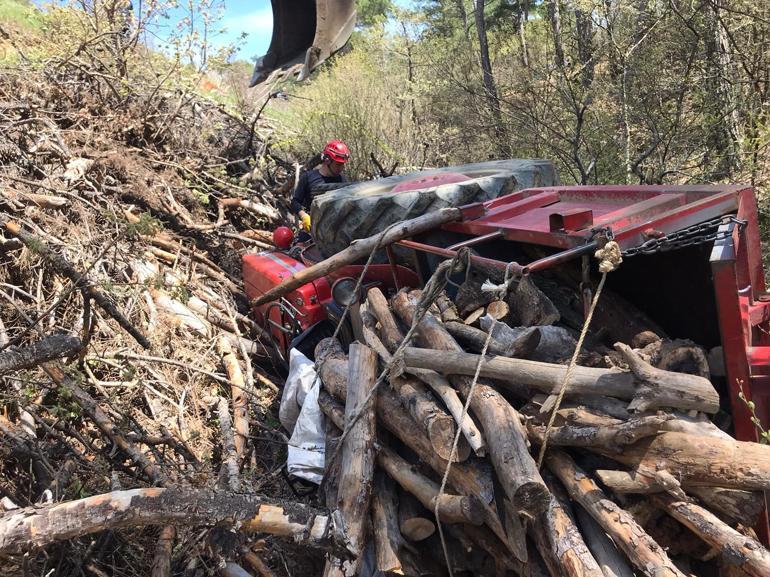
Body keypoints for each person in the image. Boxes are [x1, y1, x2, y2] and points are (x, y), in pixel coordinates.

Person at [291, 140, 350, 237]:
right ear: (327, 160)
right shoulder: (308, 177)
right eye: (338, 164)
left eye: (343, 164)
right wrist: (304, 216)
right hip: (312, 230)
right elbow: (295, 202)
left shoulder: (342, 180)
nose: (341, 168)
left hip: (335, 232)